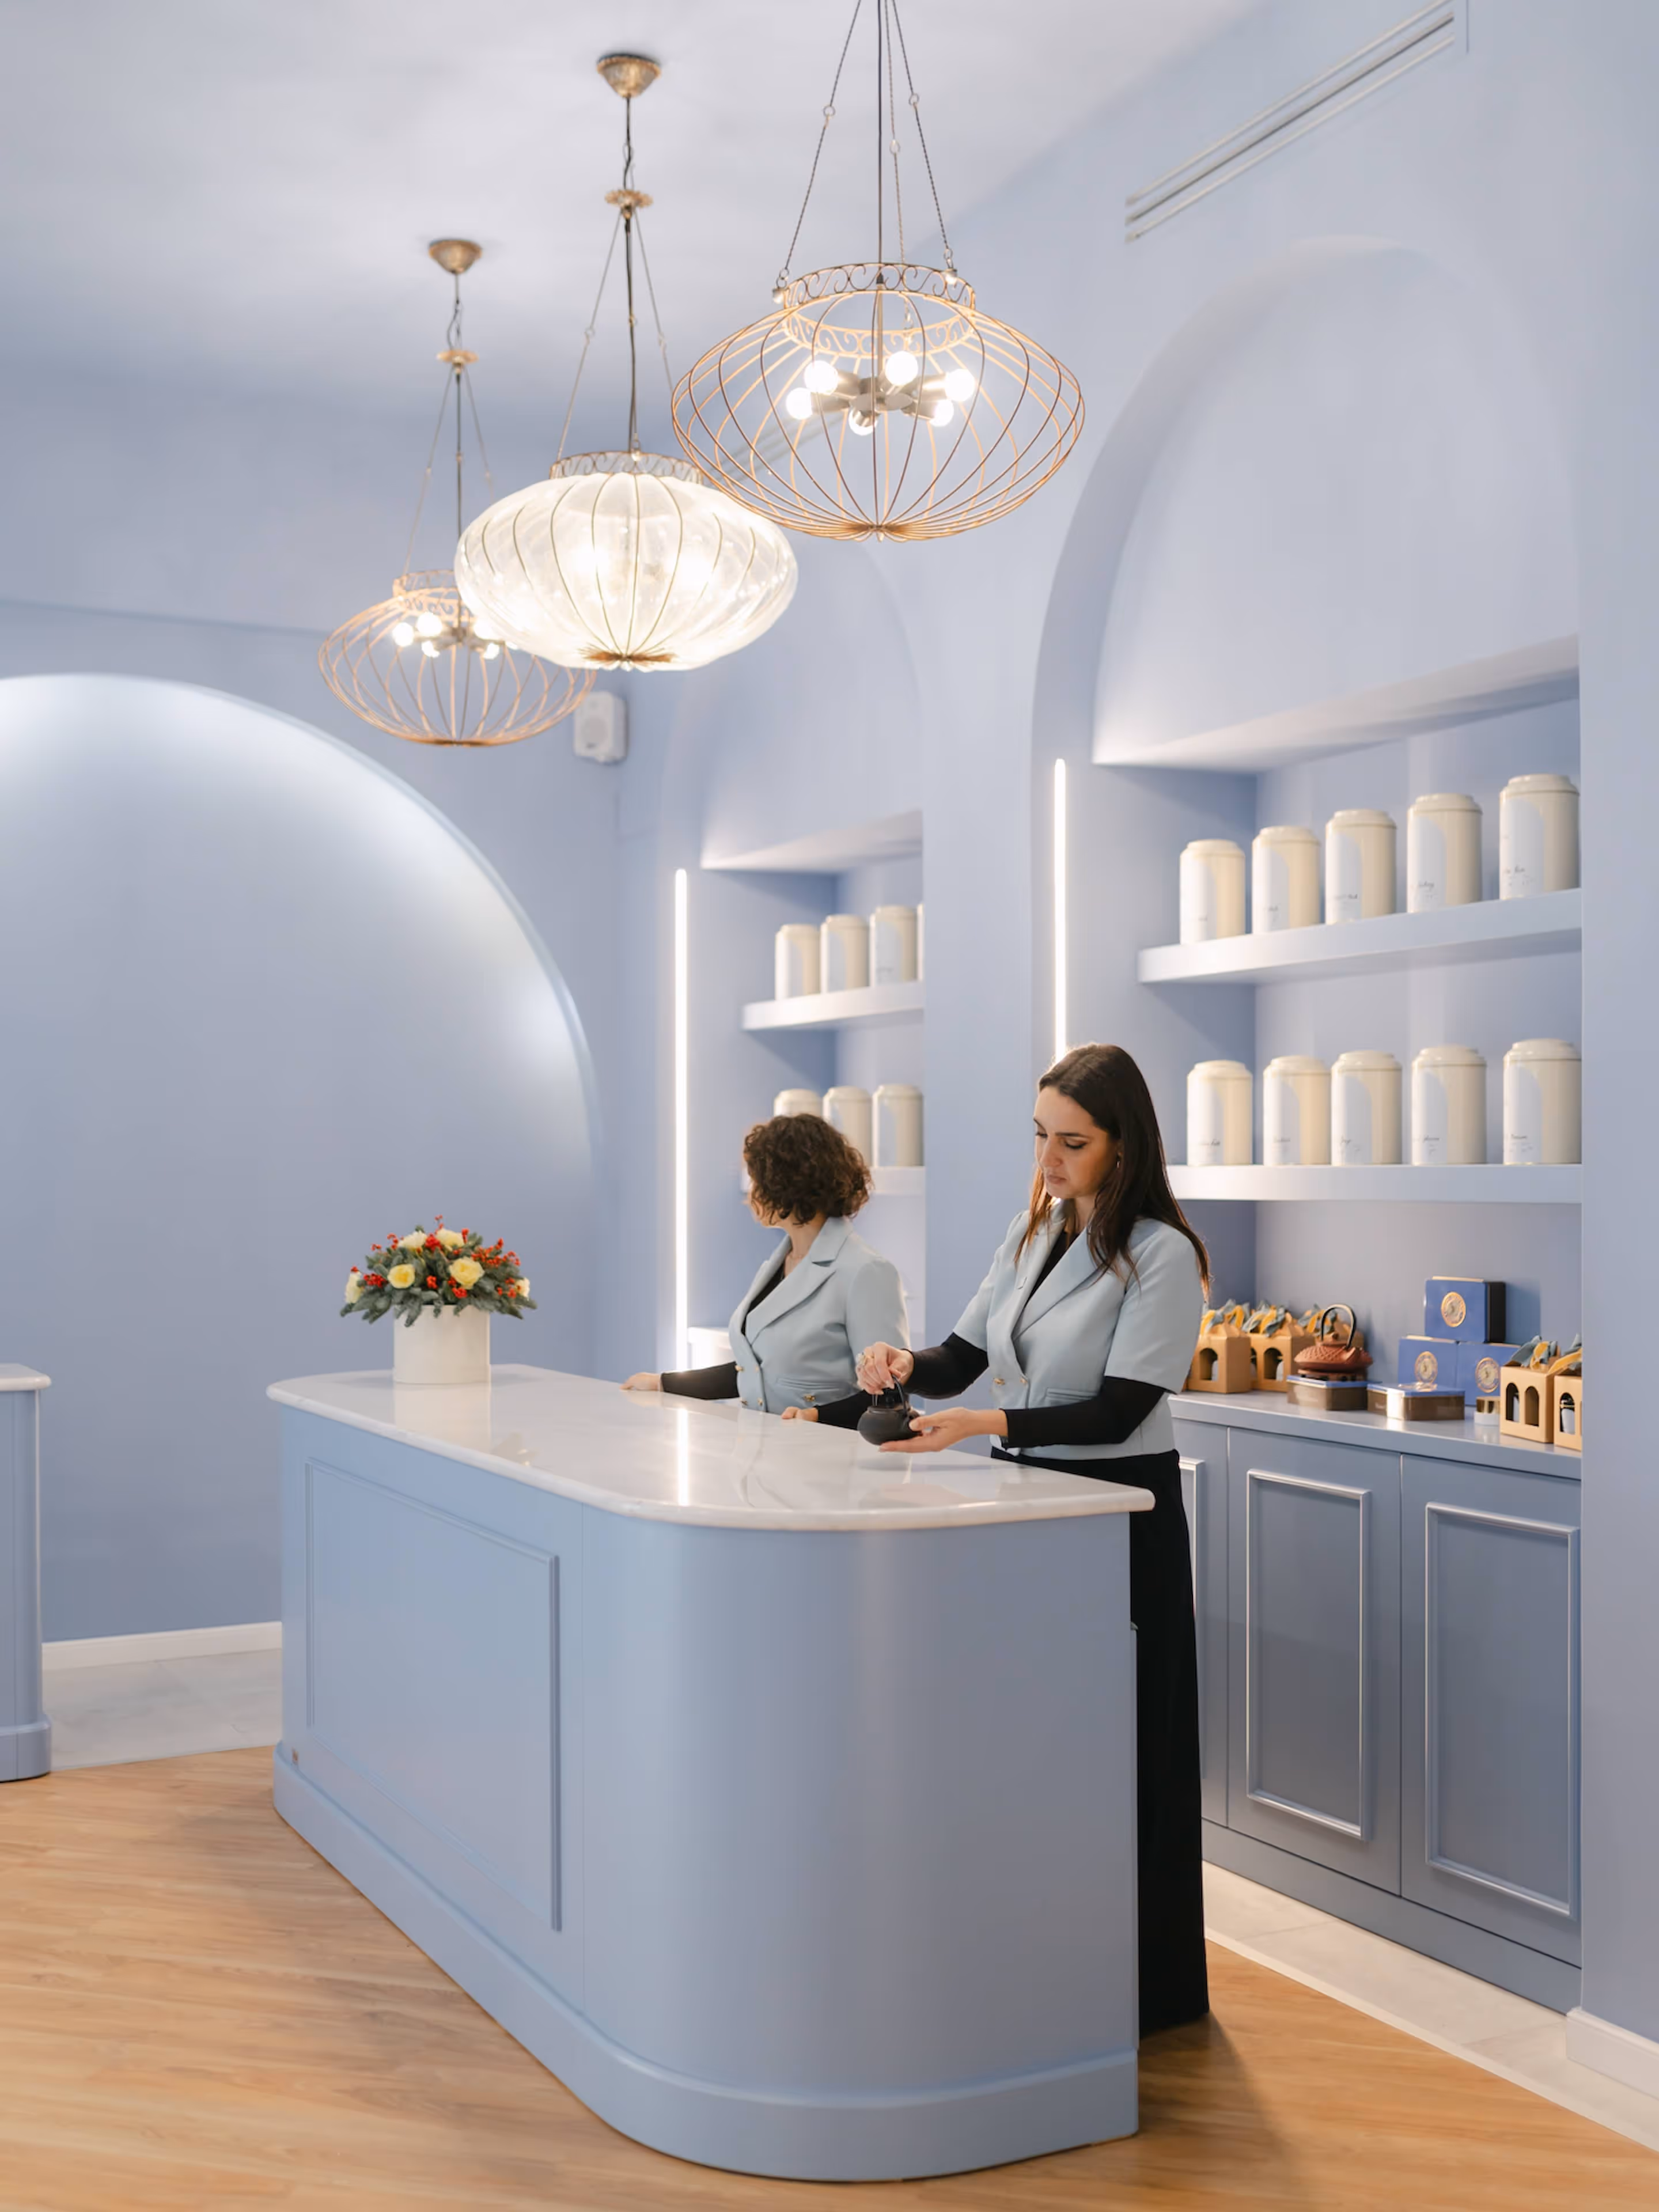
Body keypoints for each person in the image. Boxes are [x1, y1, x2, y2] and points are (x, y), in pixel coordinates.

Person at [856, 1042, 1209, 2036]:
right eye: (1041, 1138)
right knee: (1046, 1752)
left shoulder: (1165, 1256)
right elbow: (963, 1357)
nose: (1050, 1161)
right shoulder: (1031, 1231)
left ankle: (1145, 1992)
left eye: (1073, 1143)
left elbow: (1117, 1410)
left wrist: (984, 1428)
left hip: (1119, 1516)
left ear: (1124, 1146)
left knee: (1124, 1756)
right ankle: (1045, 1969)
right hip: (1036, 1516)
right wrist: (903, 1363)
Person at [623, 1111, 907, 1419]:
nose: (752, 1195)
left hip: (828, 1458)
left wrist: (815, 1418)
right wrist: (663, 1383)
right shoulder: (776, 1266)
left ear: (788, 1183)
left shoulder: (867, 1272)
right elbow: (755, 1371)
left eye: (758, 1181)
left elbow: (890, 1398)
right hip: (761, 1454)